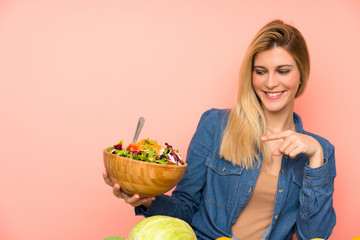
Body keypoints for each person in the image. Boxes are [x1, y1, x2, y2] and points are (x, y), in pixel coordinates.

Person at [103, 19, 336, 240]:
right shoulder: (215, 125)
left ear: (301, 74)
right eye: (261, 71)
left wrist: (315, 159)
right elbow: (186, 206)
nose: (271, 82)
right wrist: (147, 200)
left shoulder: (321, 151)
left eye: (283, 71)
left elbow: (315, 236)